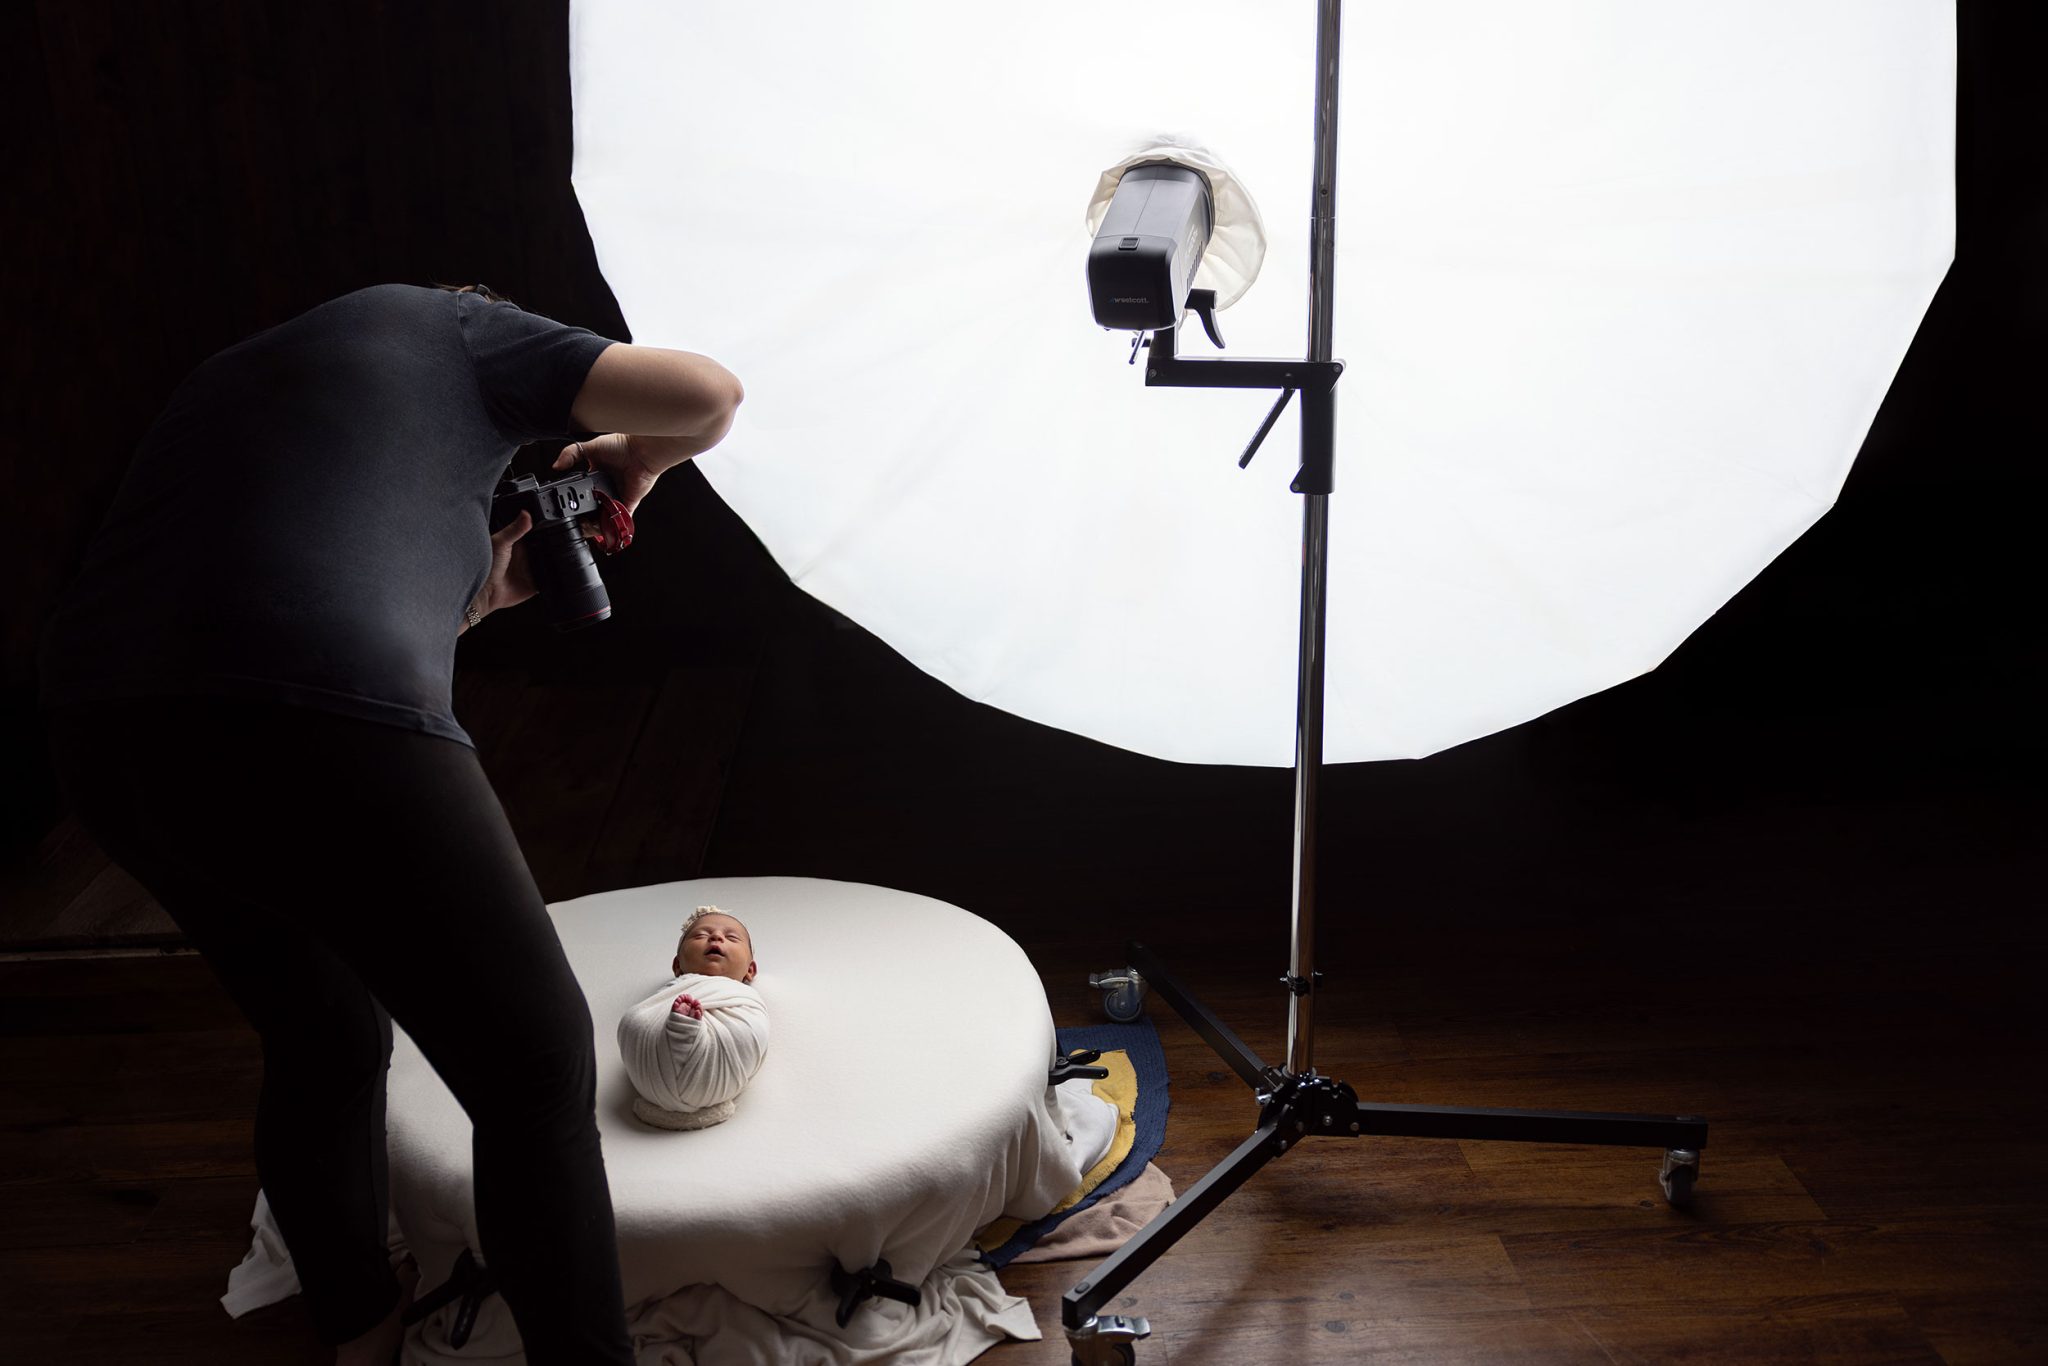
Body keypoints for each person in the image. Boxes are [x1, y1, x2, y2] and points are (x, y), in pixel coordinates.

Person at [36, 281, 742, 1366]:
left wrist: (473, 589)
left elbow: (306, 568)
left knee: (319, 1033)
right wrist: (636, 460)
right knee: (537, 1072)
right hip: (315, 705)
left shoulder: (238, 373)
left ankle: (359, 1335)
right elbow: (704, 393)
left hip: (100, 727)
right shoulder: (449, 322)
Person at [616, 907, 768, 1131]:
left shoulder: (741, 995)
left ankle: (684, 1034)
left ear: (750, 970)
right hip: (660, 1042)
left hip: (723, 1030)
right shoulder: (669, 992)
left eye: (731, 937)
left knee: (746, 1030)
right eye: (700, 935)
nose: (716, 937)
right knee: (635, 1020)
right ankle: (682, 1034)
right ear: (677, 965)